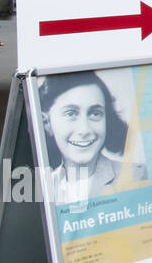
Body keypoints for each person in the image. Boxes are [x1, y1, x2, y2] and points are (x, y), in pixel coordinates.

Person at [40, 71, 132, 204]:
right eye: (71, 113)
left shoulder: (137, 176)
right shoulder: (41, 189)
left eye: (95, 113)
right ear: (47, 123)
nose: (84, 130)